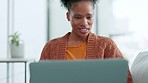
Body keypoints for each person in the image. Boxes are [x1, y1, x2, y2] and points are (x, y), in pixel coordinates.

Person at [40, 0, 132, 83]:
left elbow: (125, 79)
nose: (84, 23)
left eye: (89, 17)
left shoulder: (107, 45)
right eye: (77, 17)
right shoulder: (51, 47)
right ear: (68, 16)